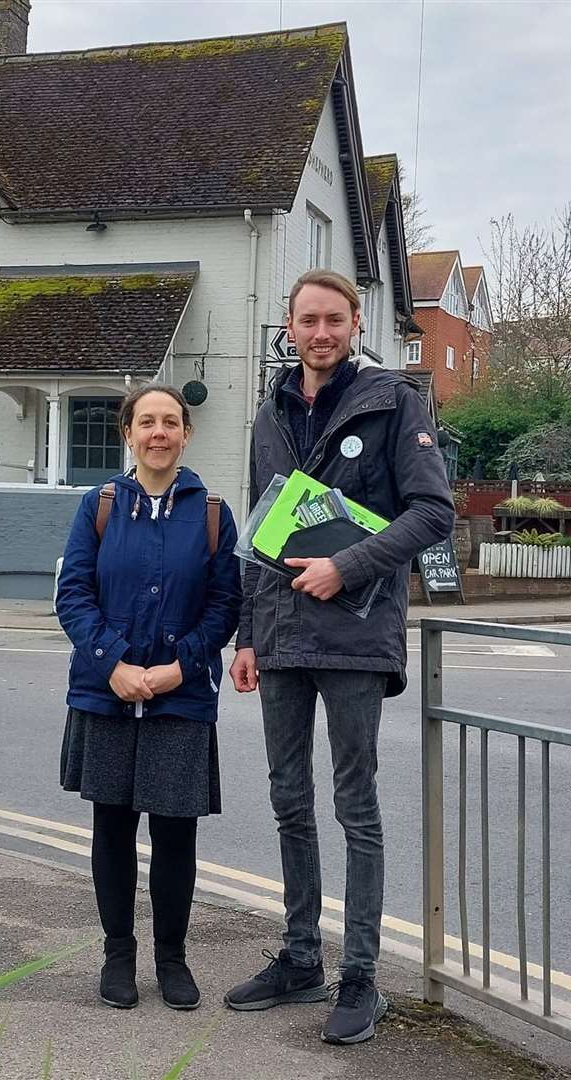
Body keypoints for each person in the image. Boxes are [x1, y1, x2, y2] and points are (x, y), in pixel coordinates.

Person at [223, 269, 455, 1044]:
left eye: (334, 319)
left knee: (355, 808)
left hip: (356, 636)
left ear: (357, 324)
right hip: (284, 637)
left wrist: (346, 567)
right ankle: (299, 957)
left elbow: (432, 512)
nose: (320, 333)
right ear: (289, 328)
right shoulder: (269, 413)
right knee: (289, 798)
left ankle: (360, 977)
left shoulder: (394, 403)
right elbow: (261, 535)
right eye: (307, 321)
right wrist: (248, 635)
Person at [57, 385, 241, 1011]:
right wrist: (111, 664)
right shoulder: (99, 506)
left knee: (174, 832)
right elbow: (73, 595)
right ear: (128, 434)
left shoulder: (211, 511)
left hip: (179, 698)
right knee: (111, 827)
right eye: (146, 422)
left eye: (169, 422)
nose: (158, 432)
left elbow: (224, 608)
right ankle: (118, 955)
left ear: (186, 434)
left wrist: (175, 670)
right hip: (104, 694)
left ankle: (172, 959)